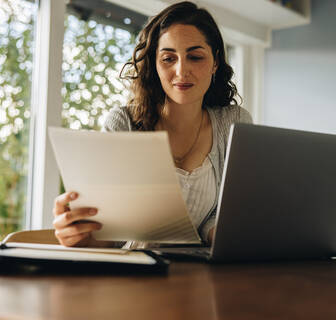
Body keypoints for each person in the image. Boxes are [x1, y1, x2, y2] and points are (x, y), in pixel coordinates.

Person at [52, 1, 252, 248]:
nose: (181, 71)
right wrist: (79, 233)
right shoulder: (123, 123)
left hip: (202, 275)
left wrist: (218, 232)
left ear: (215, 62)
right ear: (154, 65)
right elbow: (110, 236)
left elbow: (226, 213)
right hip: (135, 274)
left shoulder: (234, 123)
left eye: (195, 56)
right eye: (168, 58)